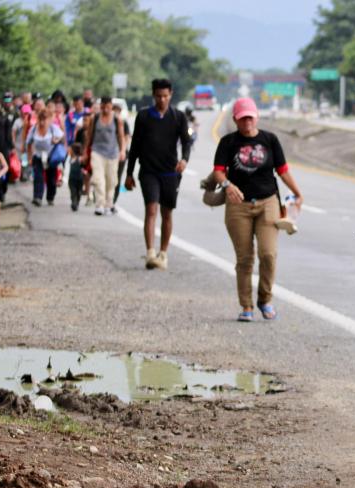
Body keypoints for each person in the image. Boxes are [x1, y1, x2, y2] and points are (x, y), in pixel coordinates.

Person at [212, 97, 304, 320]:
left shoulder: (269, 140)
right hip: (238, 205)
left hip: (267, 202)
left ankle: (265, 299)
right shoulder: (228, 142)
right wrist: (227, 185)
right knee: (244, 258)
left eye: (250, 118)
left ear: (257, 117)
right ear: (235, 119)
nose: (247, 122)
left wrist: (298, 192)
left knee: (268, 254)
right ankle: (246, 306)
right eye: (242, 118)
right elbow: (218, 171)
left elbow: (282, 170)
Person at [125, 78, 192, 270]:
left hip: (170, 172)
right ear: (153, 95)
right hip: (148, 171)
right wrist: (129, 173)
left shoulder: (178, 117)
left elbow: (186, 142)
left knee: (167, 213)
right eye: (158, 96)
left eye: (165, 96)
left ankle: (163, 253)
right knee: (151, 209)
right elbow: (135, 146)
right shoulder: (144, 116)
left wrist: (184, 160)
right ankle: (150, 253)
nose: (162, 99)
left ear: (170, 95)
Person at [83, 96, 126, 216]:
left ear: (111, 106)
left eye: (108, 107)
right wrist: (85, 152)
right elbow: (89, 136)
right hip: (97, 152)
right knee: (98, 179)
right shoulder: (95, 118)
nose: (105, 109)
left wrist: (122, 150)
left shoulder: (117, 119)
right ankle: (100, 204)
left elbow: (121, 136)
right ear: (100, 106)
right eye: (103, 107)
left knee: (111, 181)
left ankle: (109, 204)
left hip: (113, 153)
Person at [26, 107, 64, 206]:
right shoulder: (34, 129)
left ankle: (50, 197)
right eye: (41, 119)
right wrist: (29, 157)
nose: (42, 122)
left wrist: (56, 140)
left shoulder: (53, 128)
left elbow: (61, 135)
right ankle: (37, 197)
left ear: (49, 119)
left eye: (45, 119)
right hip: (38, 156)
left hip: (51, 156)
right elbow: (28, 143)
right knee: (38, 177)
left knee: (51, 179)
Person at [112, 102, 132, 205]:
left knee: (117, 177)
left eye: (117, 110)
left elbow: (127, 137)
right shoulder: (107, 121)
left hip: (120, 153)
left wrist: (122, 149)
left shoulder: (123, 122)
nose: (115, 112)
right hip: (108, 152)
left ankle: (113, 201)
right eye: (113, 110)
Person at [68, 143, 85, 212]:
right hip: (74, 178)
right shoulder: (72, 158)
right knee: (74, 191)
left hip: (77, 178)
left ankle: (76, 202)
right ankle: (74, 202)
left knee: (77, 191)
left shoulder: (79, 158)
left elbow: (83, 167)